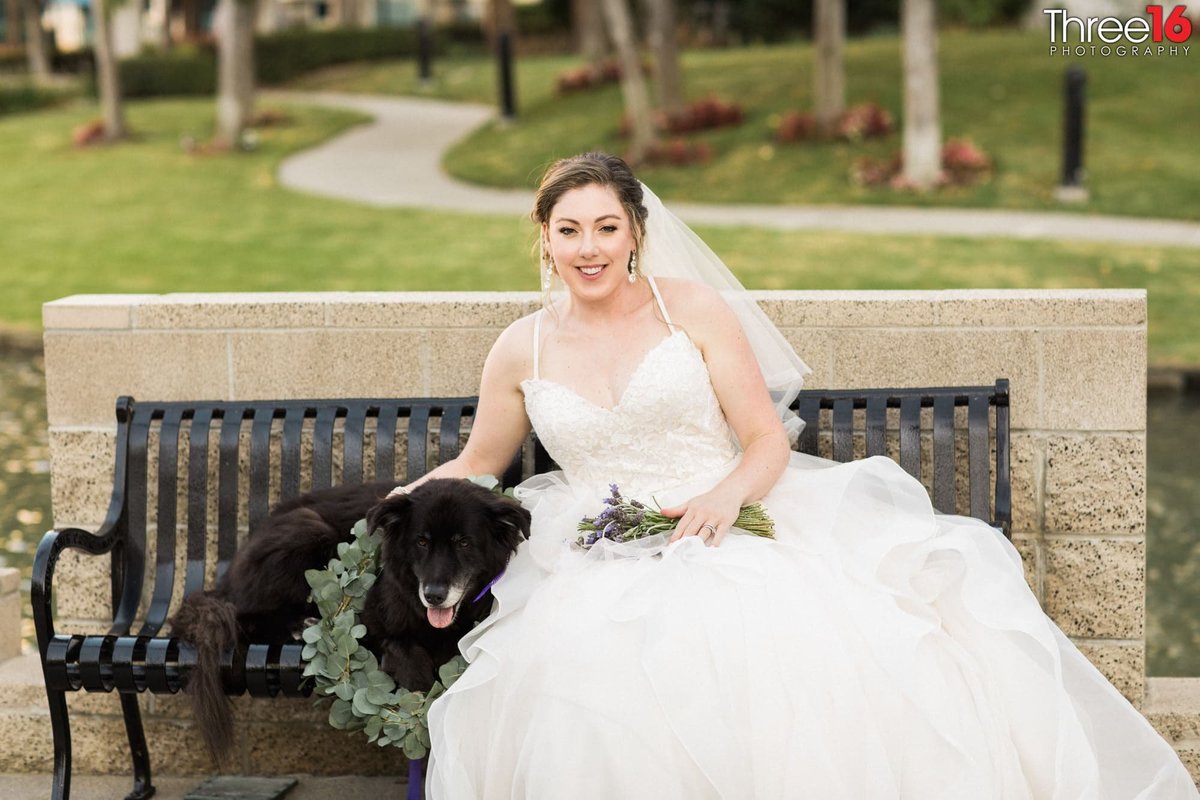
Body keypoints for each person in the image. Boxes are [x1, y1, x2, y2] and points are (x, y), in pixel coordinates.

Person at [393, 152, 1197, 798]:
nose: (590, 248)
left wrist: (724, 495)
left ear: (637, 230)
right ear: (544, 237)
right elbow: (478, 465)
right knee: (574, 671)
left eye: (608, 226)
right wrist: (399, 499)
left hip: (722, 518)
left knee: (769, 651)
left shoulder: (693, 312)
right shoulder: (521, 347)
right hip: (588, 542)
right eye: (570, 230)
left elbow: (764, 440)